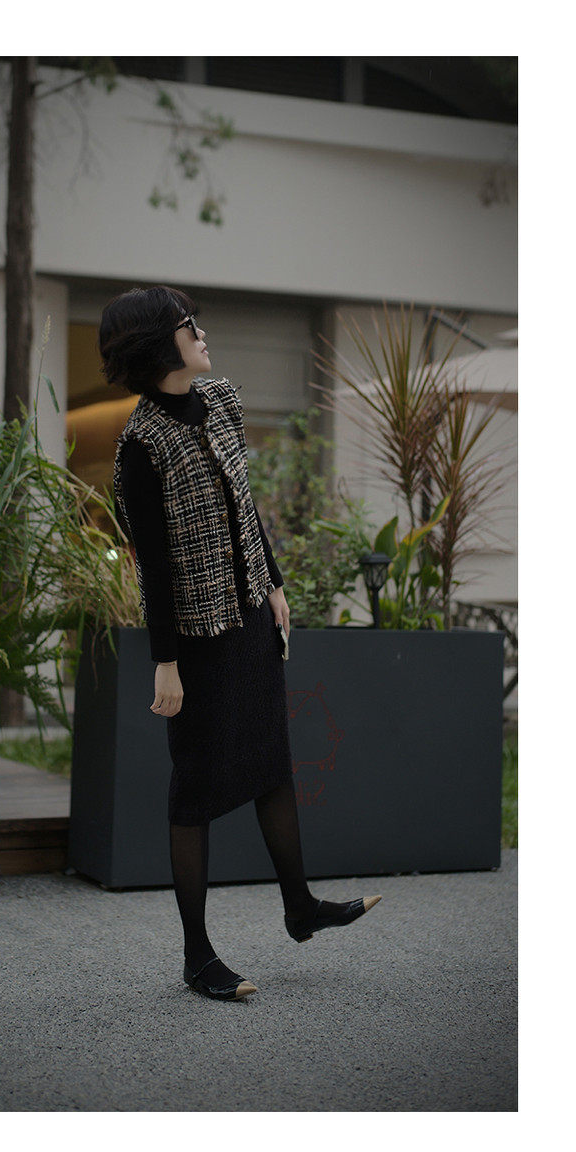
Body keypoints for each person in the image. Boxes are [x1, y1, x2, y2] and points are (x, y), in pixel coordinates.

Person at [102, 285, 381, 1002]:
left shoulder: (222, 400)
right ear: (157, 345)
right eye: (186, 324)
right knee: (195, 788)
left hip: (252, 615)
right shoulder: (140, 445)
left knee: (272, 762)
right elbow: (154, 565)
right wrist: (165, 662)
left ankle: (299, 907)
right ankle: (197, 956)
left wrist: (274, 581)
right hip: (196, 636)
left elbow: (243, 505)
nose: (200, 332)